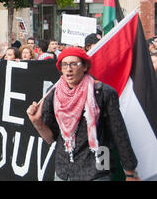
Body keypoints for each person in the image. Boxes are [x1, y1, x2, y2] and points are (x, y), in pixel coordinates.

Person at [26, 47, 140, 181]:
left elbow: (119, 134)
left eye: (74, 64)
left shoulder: (103, 93)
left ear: (85, 67)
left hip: (97, 170)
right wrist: (36, 122)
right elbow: (51, 138)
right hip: (64, 171)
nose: (69, 68)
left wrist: (130, 171)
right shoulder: (53, 94)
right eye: (65, 64)